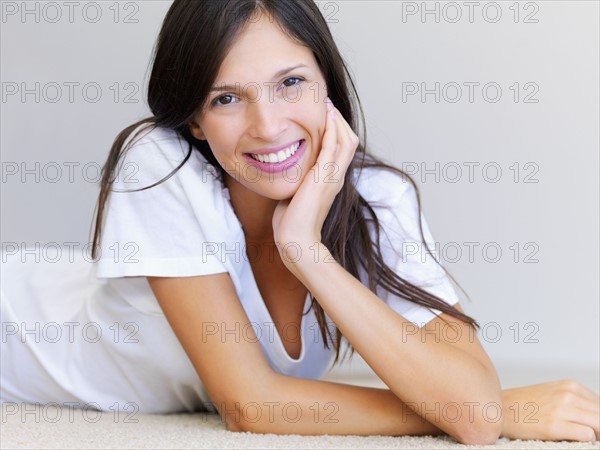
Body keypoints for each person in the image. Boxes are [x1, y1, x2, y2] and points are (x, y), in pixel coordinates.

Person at [1, 0, 598, 444]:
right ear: (195, 122)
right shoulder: (159, 165)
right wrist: (490, 409)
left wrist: (305, 249)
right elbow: (252, 405)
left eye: (291, 83)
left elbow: (467, 392)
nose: (268, 126)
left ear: (327, 90)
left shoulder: (377, 199)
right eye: (226, 98)